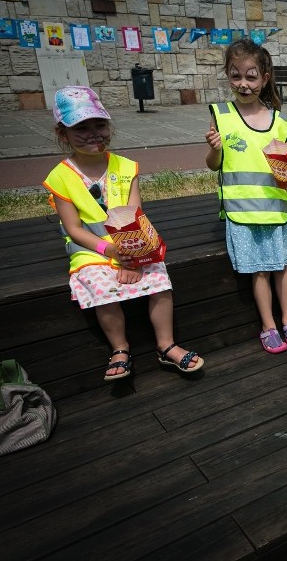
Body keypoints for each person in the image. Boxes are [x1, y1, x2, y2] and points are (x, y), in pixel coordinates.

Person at [44, 86, 203, 380]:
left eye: (99, 124)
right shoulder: (60, 177)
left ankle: (166, 344)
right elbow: (74, 229)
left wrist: (134, 257)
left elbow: (135, 216)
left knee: (159, 278)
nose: (94, 133)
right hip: (91, 249)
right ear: (62, 133)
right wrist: (113, 254)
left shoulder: (126, 167)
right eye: (81, 127)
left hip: (130, 242)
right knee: (102, 289)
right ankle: (120, 347)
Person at [205, 38, 287, 354]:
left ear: (265, 79)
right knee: (259, 271)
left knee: (281, 267)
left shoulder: (281, 122)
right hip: (241, 213)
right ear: (228, 75)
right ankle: (268, 325)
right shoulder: (222, 116)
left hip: (276, 211)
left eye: (251, 76)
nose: (243, 83)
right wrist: (214, 149)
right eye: (236, 75)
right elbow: (214, 166)